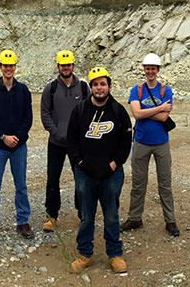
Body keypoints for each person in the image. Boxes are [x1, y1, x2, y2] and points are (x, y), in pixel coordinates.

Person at [67, 67, 132, 275]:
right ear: (91, 87)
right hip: (85, 173)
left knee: (111, 215)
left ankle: (114, 253)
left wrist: (114, 163)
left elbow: (125, 142)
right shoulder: (80, 110)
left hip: (111, 173)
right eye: (95, 84)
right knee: (87, 216)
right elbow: (72, 140)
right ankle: (85, 253)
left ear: (109, 86)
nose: (99, 88)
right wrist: (79, 163)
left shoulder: (118, 111)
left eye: (103, 84)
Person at [122, 53, 179, 237]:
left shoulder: (166, 90)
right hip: (140, 142)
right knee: (138, 183)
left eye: (153, 68)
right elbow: (136, 115)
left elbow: (162, 117)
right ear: (144, 70)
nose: (150, 71)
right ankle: (134, 218)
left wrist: (144, 111)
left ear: (158, 69)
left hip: (161, 142)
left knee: (165, 183)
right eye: (148, 68)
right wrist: (159, 108)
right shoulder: (136, 90)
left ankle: (170, 220)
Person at [0, 50, 34, 241]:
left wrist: (16, 137)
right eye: (5, 65)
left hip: (18, 147)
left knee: (21, 185)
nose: (8, 69)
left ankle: (22, 221)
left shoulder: (23, 90)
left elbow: (28, 118)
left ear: (15, 67)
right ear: (0, 67)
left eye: (11, 65)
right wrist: (3, 137)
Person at [39, 50, 89, 232]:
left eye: (68, 65)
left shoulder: (83, 88)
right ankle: (51, 215)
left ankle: (83, 213)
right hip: (56, 143)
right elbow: (45, 114)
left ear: (73, 66)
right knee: (53, 179)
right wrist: (56, 132)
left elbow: (88, 112)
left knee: (81, 178)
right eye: (62, 65)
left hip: (77, 144)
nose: (65, 68)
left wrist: (80, 135)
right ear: (58, 67)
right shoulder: (50, 89)